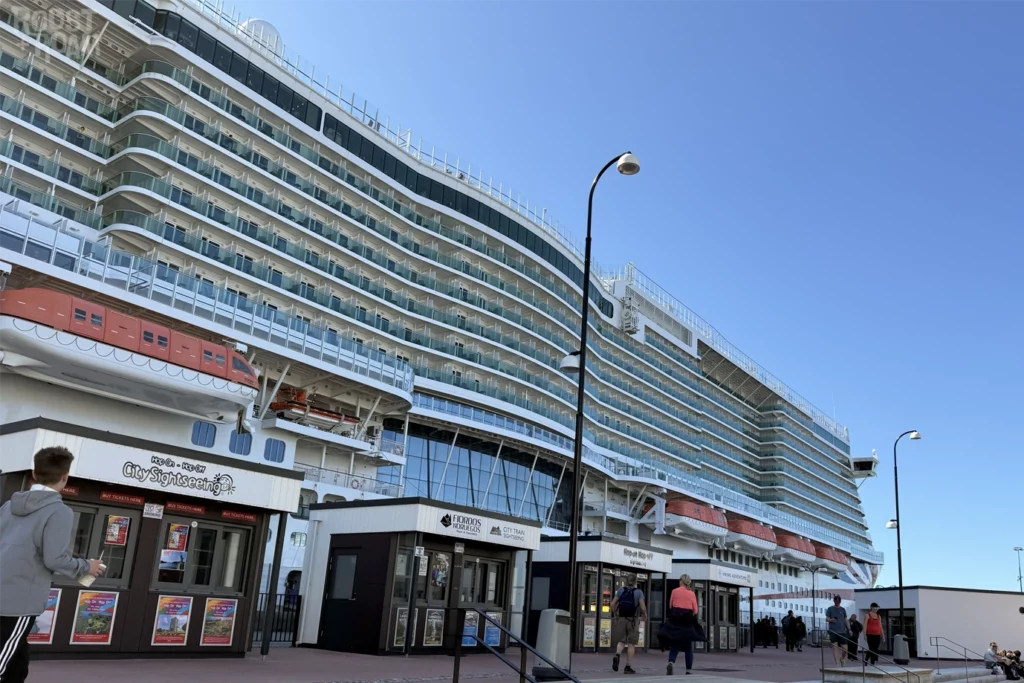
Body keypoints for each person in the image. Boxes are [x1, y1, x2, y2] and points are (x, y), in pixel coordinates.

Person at [0, 447, 104, 683]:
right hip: (19, 601)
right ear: (65, 477)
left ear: (34, 473)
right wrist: (87, 566)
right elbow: (54, 559)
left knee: (17, 662)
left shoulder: (7, 507)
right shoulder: (59, 511)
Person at [657, 574, 705, 675]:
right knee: (688, 646)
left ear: (681, 581)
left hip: (675, 619)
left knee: (675, 643)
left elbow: (670, 605)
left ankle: (671, 661)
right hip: (687, 620)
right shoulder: (691, 593)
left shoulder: (674, 591)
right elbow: (695, 610)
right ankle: (688, 670)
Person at [610, 582, 646, 675]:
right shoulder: (638, 592)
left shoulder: (621, 590)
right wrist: (644, 615)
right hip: (633, 620)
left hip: (621, 618)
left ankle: (617, 654)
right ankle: (628, 666)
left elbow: (613, 603)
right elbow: (642, 607)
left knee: (622, 640)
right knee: (631, 643)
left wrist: (615, 614)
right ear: (635, 582)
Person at [825, 595, 850, 667]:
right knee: (835, 647)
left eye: (838, 602)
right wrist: (831, 620)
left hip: (842, 631)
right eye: (836, 602)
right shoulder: (830, 609)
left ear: (840, 601)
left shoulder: (843, 610)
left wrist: (849, 629)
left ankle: (842, 659)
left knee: (845, 649)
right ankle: (837, 663)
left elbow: (845, 619)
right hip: (833, 631)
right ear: (834, 601)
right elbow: (827, 619)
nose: (837, 603)